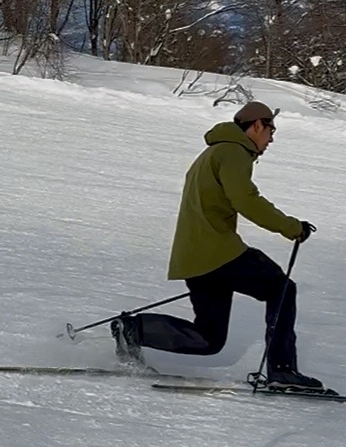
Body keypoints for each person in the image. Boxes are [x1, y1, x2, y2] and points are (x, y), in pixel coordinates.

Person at [111, 101, 324, 391]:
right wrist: (291, 227)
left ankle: (135, 329)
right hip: (219, 252)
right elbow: (246, 199)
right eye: (271, 129)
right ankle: (283, 371)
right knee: (282, 289)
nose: (272, 138)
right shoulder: (233, 151)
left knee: (209, 339)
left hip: (195, 257)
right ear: (257, 125)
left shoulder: (213, 152)